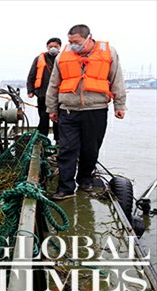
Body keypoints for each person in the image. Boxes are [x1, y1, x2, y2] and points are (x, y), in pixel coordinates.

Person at [46, 24, 126, 200]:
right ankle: (65, 188)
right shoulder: (63, 55)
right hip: (68, 109)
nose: (72, 45)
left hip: (95, 110)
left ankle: (85, 179)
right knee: (67, 148)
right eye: (70, 41)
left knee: (90, 149)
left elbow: (116, 79)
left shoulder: (108, 52)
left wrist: (119, 105)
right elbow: (54, 84)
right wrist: (51, 108)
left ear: (88, 38)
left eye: (76, 42)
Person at [27, 37, 62, 143]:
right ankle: (42, 140)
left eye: (55, 46)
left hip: (59, 95)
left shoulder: (64, 58)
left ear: (60, 47)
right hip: (43, 94)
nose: (53, 48)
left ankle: (58, 141)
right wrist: (30, 90)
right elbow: (31, 75)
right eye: (51, 46)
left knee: (59, 119)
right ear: (47, 47)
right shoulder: (39, 59)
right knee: (43, 118)